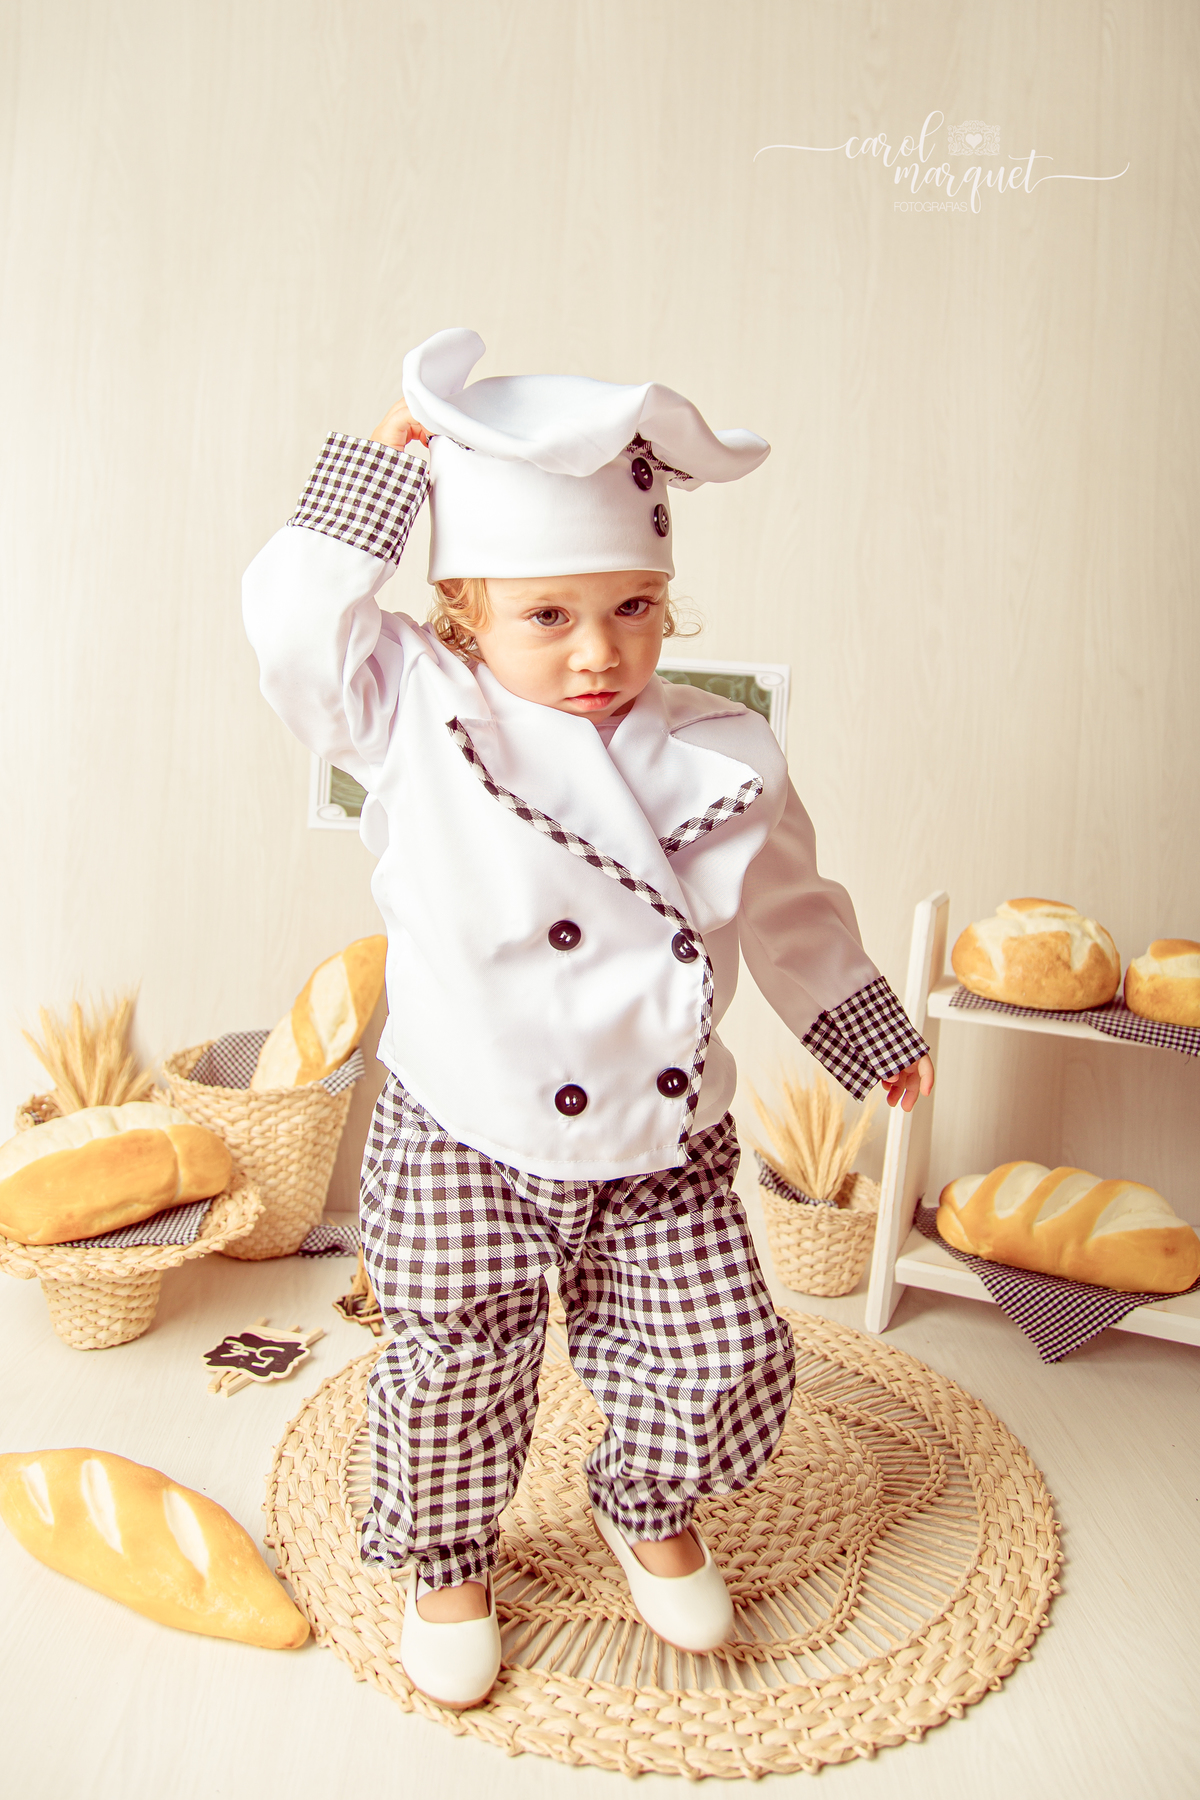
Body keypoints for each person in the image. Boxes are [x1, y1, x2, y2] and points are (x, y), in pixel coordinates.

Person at [243, 328, 933, 1710]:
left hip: (658, 1136)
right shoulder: (412, 716)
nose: (598, 650)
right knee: (455, 1364)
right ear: (463, 617)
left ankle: (642, 1499)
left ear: (671, 604)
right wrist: (368, 490)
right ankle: (446, 1559)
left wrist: (869, 1033)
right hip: (463, 1127)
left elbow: (792, 910)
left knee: (727, 1354)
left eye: (632, 608)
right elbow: (292, 632)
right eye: (546, 617)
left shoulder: (722, 756)